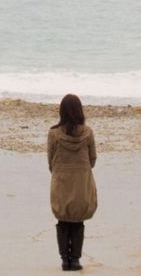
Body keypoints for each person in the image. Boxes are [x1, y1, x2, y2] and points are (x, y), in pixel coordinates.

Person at [47, 94, 97, 271]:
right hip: (81, 183)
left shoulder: (53, 133)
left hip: (61, 181)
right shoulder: (88, 132)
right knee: (78, 221)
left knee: (62, 220)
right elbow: (92, 160)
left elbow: (50, 161)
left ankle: (64, 260)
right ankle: (75, 260)